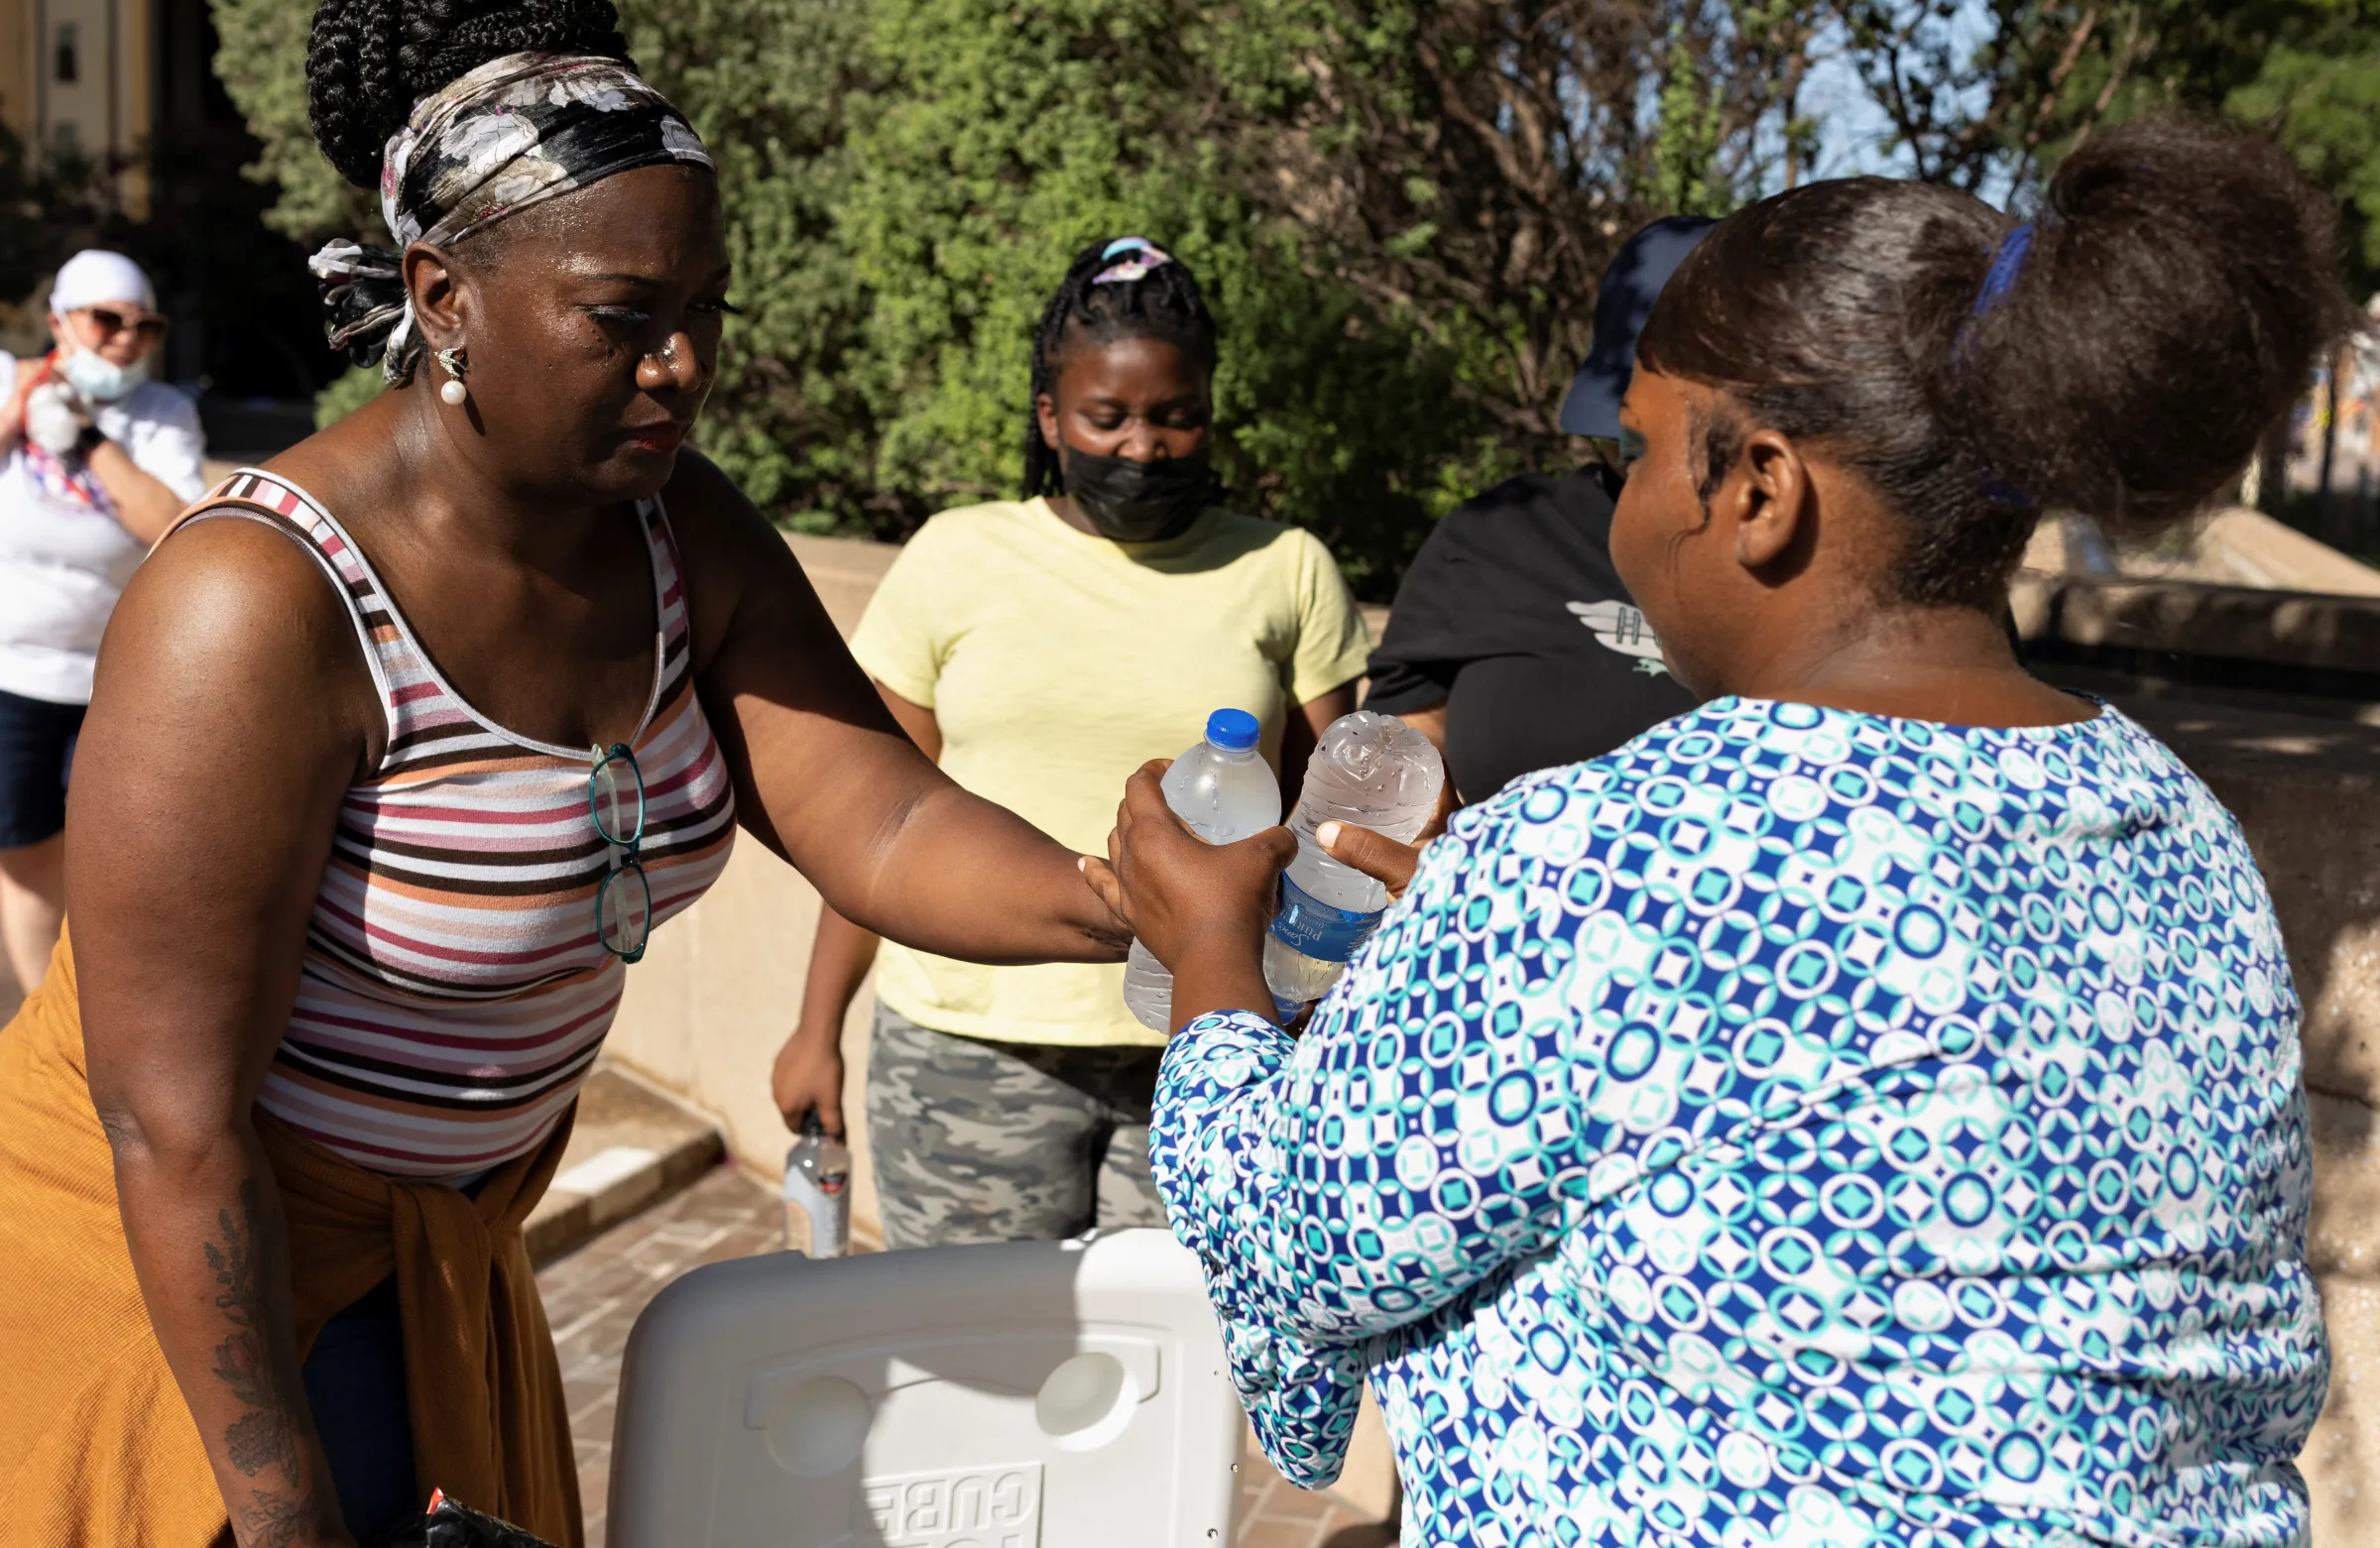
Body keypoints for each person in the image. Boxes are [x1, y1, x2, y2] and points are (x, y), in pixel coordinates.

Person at [1087, 116, 2341, 1544]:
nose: (1614, 512)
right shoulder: (2179, 828)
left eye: (1634, 455)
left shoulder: (1598, 859)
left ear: (1756, 490)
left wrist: (1204, 949)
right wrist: (1482, 950)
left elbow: (1295, 1249)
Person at [0, 0, 1130, 1545]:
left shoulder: (682, 533)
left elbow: (873, 815)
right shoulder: (257, 605)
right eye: (624, 319)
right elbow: (168, 1127)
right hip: (184, 1282)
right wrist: (283, 1519)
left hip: (438, 1258)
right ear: (443, 296)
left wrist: (1120, 896)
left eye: (705, 314)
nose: (681, 367)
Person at [771, 236, 1371, 1248]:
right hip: (966, 1053)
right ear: (1052, 417)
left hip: (1197, 1040)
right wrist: (814, 1027)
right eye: (1110, 417)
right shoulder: (955, 556)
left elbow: (1326, 835)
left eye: (1175, 418)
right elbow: (875, 816)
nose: (1143, 446)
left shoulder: (1288, 568)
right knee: (974, 1366)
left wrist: (1315, 1030)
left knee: (1174, 1374)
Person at [1363, 219, 1707, 807]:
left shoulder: (1818, 574)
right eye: (1625, 439)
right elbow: (1402, 744)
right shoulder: (1498, 536)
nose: (1640, 464)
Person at [0, 249, 205, 996]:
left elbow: (174, 527)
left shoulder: (161, 414)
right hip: (14, 677)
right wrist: (18, 410)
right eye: (107, 320)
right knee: (23, 857)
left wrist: (88, 441)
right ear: (59, 320)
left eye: (144, 325)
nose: (127, 339)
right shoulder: (7, 380)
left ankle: (98, 1010)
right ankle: (37, 1017)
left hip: (117, 682)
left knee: (115, 860)